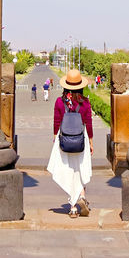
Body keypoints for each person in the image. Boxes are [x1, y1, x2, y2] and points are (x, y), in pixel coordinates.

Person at [46, 69, 94, 217]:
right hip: (81, 139)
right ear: (81, 86)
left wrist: (55, 137)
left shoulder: (60, 102)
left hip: (65, 138)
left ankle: (73, 207)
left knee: (68, 170)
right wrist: (91, 142)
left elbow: (56, 121)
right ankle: (82, 196)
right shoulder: (85, 102)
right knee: (80, 169)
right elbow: (89, 123)